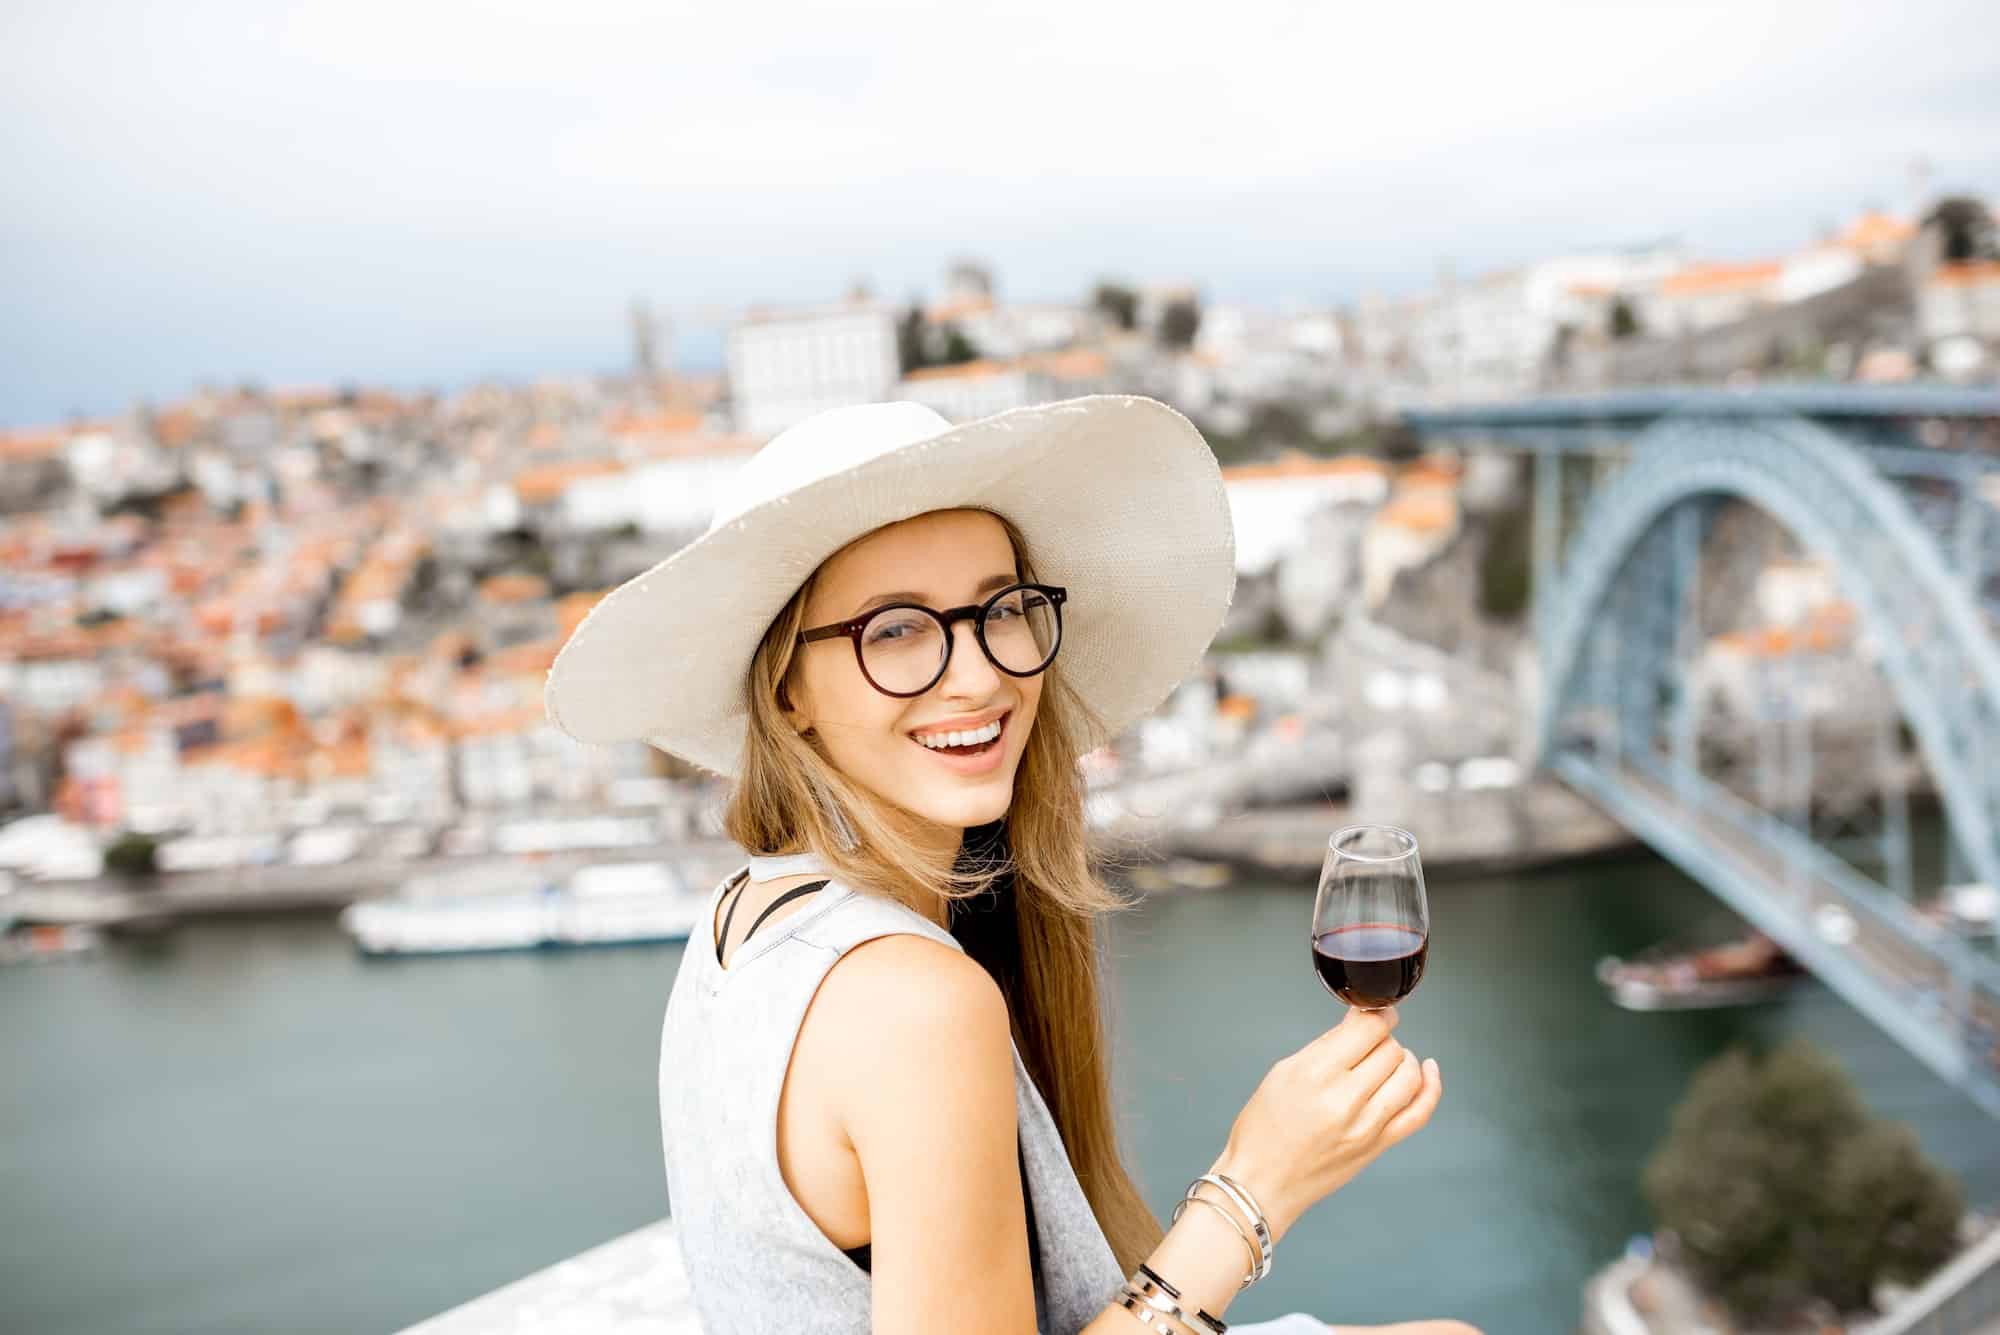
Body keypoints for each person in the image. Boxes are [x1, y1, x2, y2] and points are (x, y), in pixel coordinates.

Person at [545, 396, 1475, 1335]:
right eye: (897, 629)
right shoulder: (916, 1004)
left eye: (1002, 609)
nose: (981, 674)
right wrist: (1256, 1183)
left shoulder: (740, 917)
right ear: (788, 690)